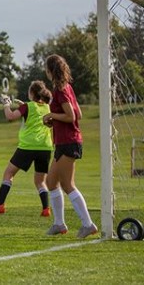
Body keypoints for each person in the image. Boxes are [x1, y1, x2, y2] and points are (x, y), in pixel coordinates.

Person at [43, 54, 98, 238]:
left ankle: (88, 224)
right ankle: (59, 224)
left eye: (46, 68)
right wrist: (55, 120)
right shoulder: (67, 88)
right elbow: (78, 114)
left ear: (51, 70)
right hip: (62, 141)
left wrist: (51, 116)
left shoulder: (60, 90)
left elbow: (72, 117)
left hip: (69, 141)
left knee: (67, 184)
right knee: (51, 182)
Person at [0, 81, 53, 216]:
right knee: (40, 181)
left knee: (8, 174)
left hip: (28, 146)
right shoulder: (47, 107)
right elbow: (41, 118)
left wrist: (6, 104)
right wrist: (23, 106)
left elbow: (10, 117)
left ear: (32, 93)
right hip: (45, 147)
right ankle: (46, 209)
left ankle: (0, 206)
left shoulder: (28, 106)